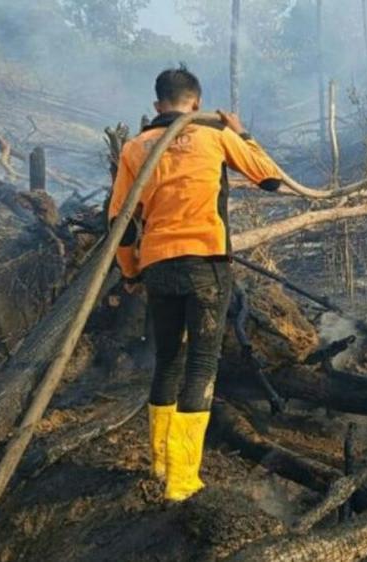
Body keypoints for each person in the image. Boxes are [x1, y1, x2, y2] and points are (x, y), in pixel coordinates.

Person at [108, 65, 283, 501]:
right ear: (198, 103)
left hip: (159, 266)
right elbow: (270, 178)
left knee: (168, 359)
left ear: (157, 106)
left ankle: (160, 461)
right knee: (202, 366)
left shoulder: (135, 148)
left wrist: (130, 272)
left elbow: (121, 224)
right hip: (206, 263)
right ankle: (183, 480)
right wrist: (241, 134)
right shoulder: (214, 136)